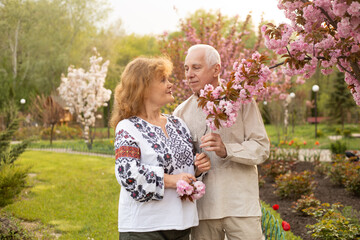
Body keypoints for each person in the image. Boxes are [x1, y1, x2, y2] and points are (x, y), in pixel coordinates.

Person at [173, 44, 270, 240]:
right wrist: (196, 168)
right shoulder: (180, 113)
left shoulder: (241, 100)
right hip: (203, 210)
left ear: (216, 69)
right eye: (186, 68)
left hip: (241, 206)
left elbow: (262, 148)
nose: (189, 74)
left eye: (196, 67)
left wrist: (227, 149)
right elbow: (177, 167)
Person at [110, 56, 211, 240]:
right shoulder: (128, 127)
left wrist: (197, 168)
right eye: (163, 80)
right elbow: (128, 174)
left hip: (181, 224)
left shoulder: (178, 124)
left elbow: (185, 169)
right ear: (143, 88)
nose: (170, 84)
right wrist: (173, 180)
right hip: (144, 228)